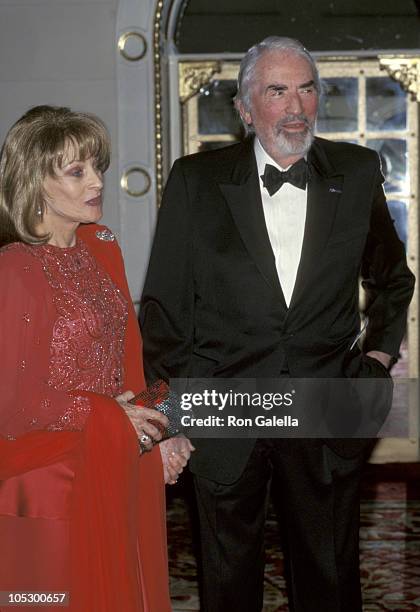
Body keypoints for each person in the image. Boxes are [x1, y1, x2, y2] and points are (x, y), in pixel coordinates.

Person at [140, 37, 415, 612]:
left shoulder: (358, 171)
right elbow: (165, 311)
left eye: (307, 88)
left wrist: (378, 360)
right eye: (277, 90)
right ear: (245, 109)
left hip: (327, 401)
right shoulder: (195, 180)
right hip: (223, 404)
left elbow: (393, 279)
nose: (296, 106)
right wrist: (176, 415)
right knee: (227, 582)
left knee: (331, 579)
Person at [0, 105, 193, 612]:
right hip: (46, 485)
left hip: (110, 464)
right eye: (77, 171)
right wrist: (116, 418)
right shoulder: (15, 269)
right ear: (35, 182)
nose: (97, 181)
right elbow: (16, 405)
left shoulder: (99, 248)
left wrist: (159, 432)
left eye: (98, 166)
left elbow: (126, 368)